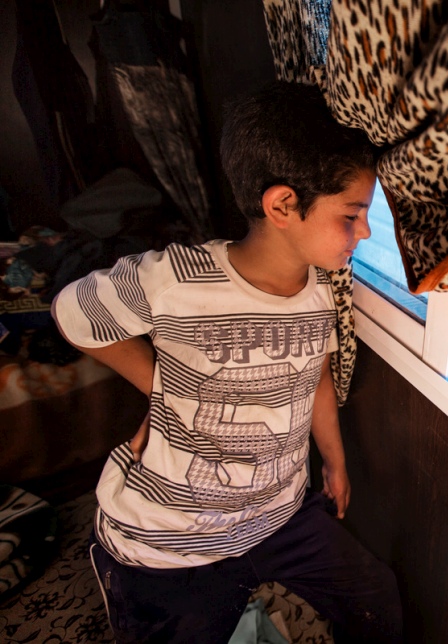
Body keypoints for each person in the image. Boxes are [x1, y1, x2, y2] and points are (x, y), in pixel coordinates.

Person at [51, 81, 403, 643]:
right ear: (283, 205)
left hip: (276, 517)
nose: (364, 231)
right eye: (351, 214)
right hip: (169, 546)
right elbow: (74, 314)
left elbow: (314, 383)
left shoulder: (320, 290)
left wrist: (334, 462)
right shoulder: (176, 279)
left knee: (374, 597)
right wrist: (159, 386)